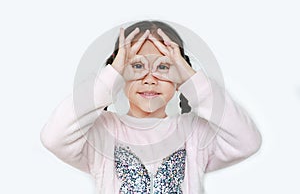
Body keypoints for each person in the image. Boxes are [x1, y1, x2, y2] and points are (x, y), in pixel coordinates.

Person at [40, 20, 262, 193]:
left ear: (179, 79)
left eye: (164, 67)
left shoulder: (195, 134)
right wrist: (111, 76)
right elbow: (53, 136)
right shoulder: (101, 133)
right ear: (120, 76)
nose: (150, 78)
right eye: (137, 66)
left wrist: (192, 80)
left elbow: (247, 141)